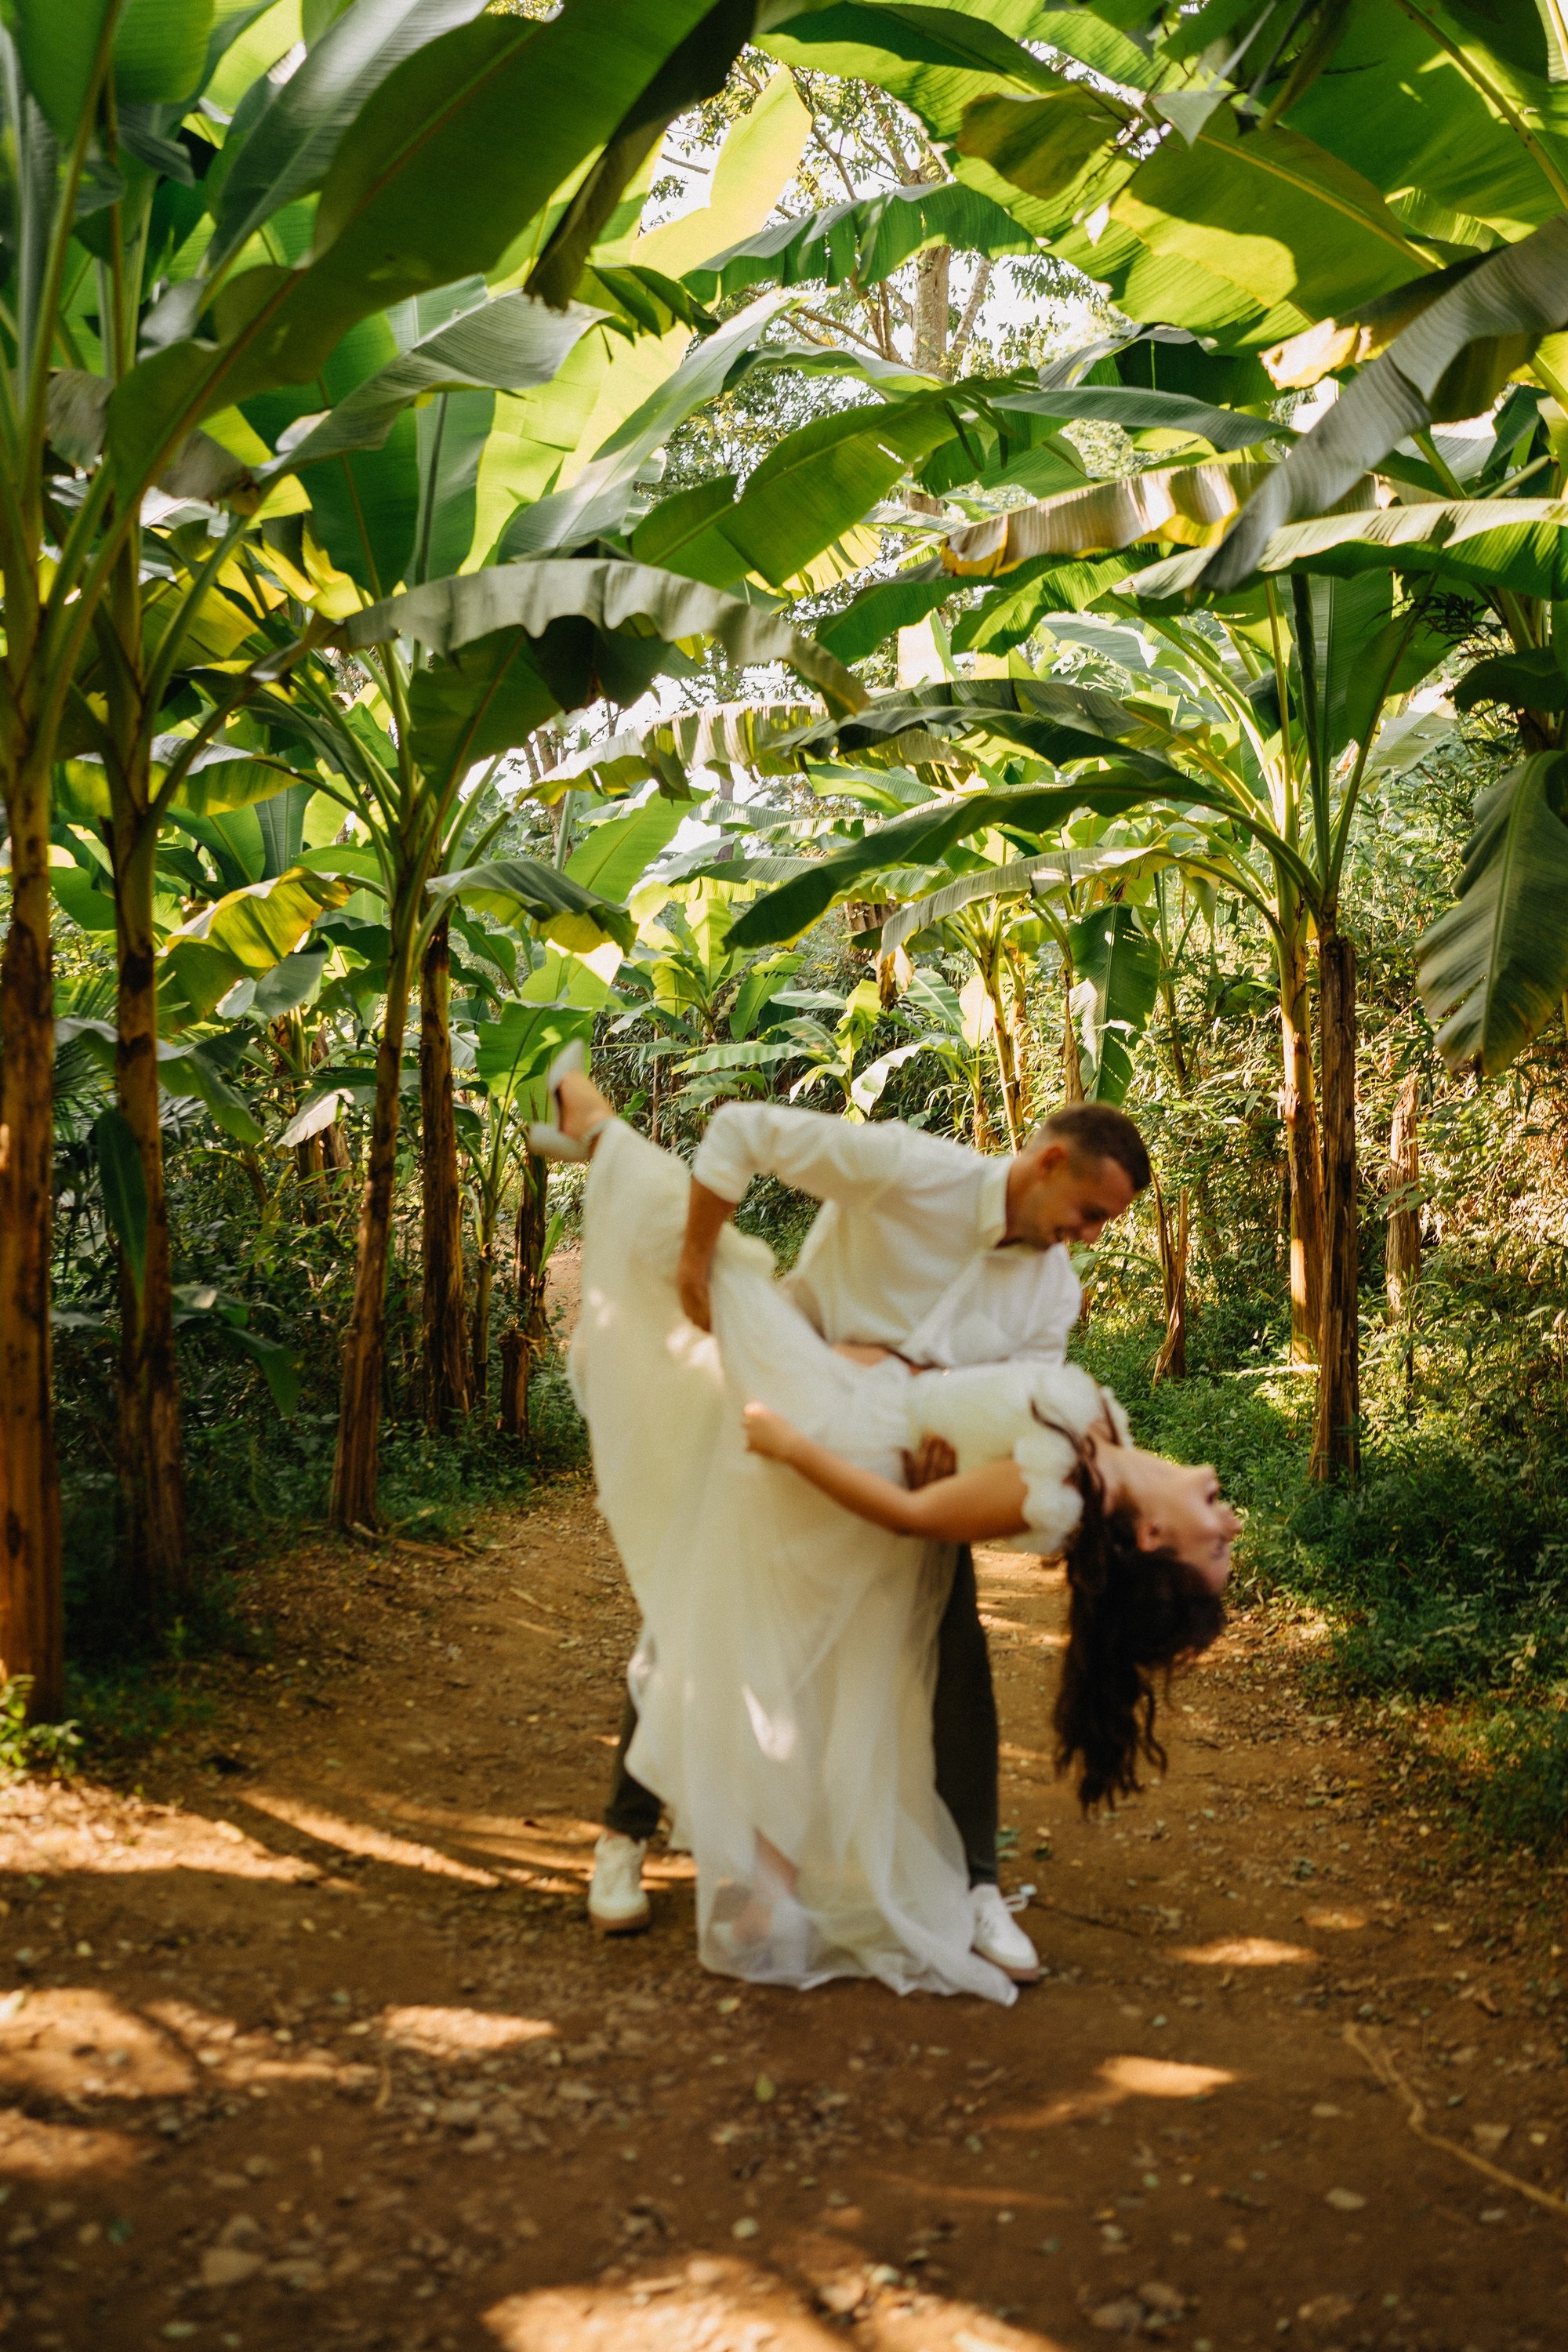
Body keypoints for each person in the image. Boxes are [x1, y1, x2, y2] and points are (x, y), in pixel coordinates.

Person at [552, 1071, 1231, 2005]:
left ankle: (969, 1888)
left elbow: (1016, 1411)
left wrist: (938, 1444)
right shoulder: (914, 1171)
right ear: (1047, 1163)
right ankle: (625, 1836)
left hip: (895, 1462)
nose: (1088, 1236)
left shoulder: (1051, 1295)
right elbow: (739, 1131)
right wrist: (694, 1267)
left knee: (952, 1656)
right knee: (699, 1617)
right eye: (1088, 1213)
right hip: (790, 1396)